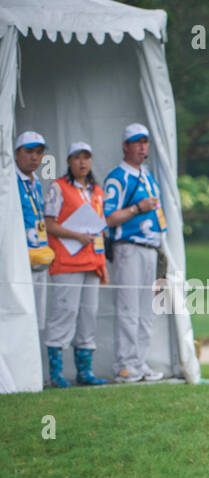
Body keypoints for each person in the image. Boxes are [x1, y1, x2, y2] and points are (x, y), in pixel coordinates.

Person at [102, 123, 167, 383]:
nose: (142, 146)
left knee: (144, 309)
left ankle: (140, 361)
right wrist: (137, 209)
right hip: (128, 247)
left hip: (150, 247)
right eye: (136, 142)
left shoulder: (148, 175)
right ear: (125, 146)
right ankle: (125, 364)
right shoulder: (118, 177)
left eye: (145, 142)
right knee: (128, 307)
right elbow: (108, 218)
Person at [43, 141, 109, 387]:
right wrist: (76, 236)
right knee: (64, 312)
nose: (82, 162)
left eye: (86, 157)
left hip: (91, 262)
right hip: (67, 261)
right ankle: (56, 372)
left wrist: (102, 265)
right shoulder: (58, 188)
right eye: (77, 158)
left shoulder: (97, 191)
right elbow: (49, 224)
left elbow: (99, 230)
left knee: (88, 315)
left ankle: (85, 371)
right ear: (69, 161)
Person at [16, 131, 53, 370]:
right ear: (17, 152)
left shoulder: (36, 183)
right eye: (29, 151)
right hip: (19, 259)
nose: (35, 158)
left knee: (38, 318)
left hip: (39, 257)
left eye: (39, 152)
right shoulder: (10, 182)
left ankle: (33, 369)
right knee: (19, 315)